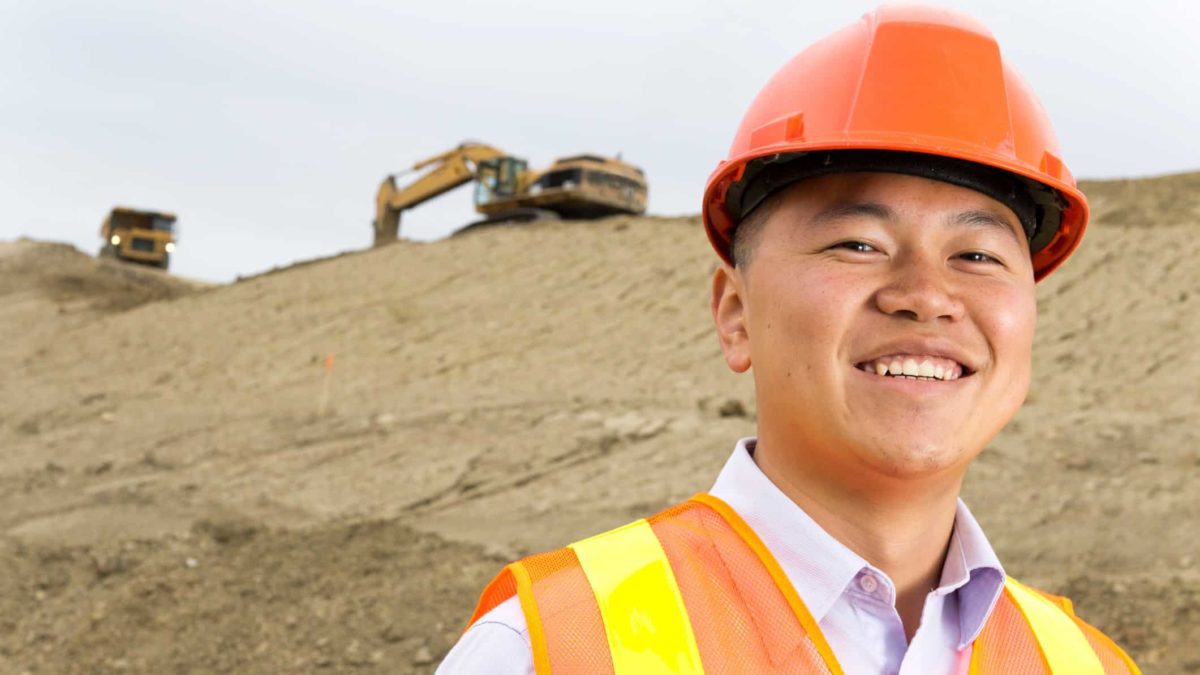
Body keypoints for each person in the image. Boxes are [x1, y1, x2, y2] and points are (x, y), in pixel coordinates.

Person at [438, 5, 1139, 673]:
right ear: (735, 313)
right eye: (858, 243)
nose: (926, 295)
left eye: (978, 256)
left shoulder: (1085, 664)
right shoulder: (552, 646)